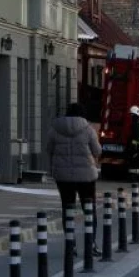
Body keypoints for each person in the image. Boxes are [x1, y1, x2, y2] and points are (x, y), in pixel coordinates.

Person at [46, 103, 102, 257]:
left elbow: (48, 149)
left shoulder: (55, 129)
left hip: (63, 176)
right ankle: (91, 244)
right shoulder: (88, 129)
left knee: (67, 208)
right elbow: (97, 151)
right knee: (89, 209)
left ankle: (71, 246)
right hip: (86, 177)